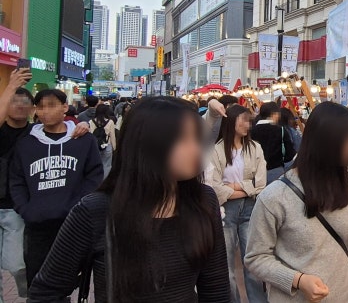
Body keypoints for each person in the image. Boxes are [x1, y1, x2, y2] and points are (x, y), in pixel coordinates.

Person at [28, 96, 230, 302]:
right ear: (149, 144)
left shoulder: (203, 200)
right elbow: (45, 292)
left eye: (197, 138)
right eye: (183, 139)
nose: (196, 149)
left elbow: (216, 288)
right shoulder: (95, 211)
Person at [244, 102, 348, 302]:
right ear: (326, 142)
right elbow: (255, 257)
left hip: (345, 297)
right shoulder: (275, 196)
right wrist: (298, 280)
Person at [10, 89, 104, 288]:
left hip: (73, 223)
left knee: (68, 281)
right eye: (40, 107)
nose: (45, 111)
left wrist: (79, 206)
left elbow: (94, 176)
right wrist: (26, 209)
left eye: (51, 105)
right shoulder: (26, 142)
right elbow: (17, 180)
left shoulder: (83, 139)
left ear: (64, 107)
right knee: (37, 280)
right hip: (37, 224)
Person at [208, 105, 267, 302]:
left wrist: (233, 187)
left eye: (248, 120)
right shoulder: (216, 150)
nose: (247, 124)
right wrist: (246, 187)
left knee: (253, 262)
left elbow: (260, 185)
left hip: (250, 208)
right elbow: (215, 187)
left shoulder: (255, 148)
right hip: (225, 210)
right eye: (242, 119)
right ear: (231, 121)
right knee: (226, 267)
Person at [0, 69, 33, 296]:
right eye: (14, 100)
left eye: (25, 102)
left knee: (16, 263)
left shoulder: (37, 133)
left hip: (17, 208)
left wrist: (80, 127)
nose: (20, 105)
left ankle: (29, 291)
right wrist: (11, 86)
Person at [251, 102, 295, 184]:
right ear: (274, 114)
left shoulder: (251, 131)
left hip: (256, 172)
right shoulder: (281, 130)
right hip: (276, 171)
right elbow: (289, 153)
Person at [89, 103, 117, 178]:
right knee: (107, 165)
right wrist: (114, 148)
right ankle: (104, 180)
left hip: (95, 146)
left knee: (95, 164)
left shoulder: (91, 122)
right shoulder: (110, 122)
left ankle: (96, 179)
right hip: (107, 145)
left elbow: (90, 135)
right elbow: (112, 136)